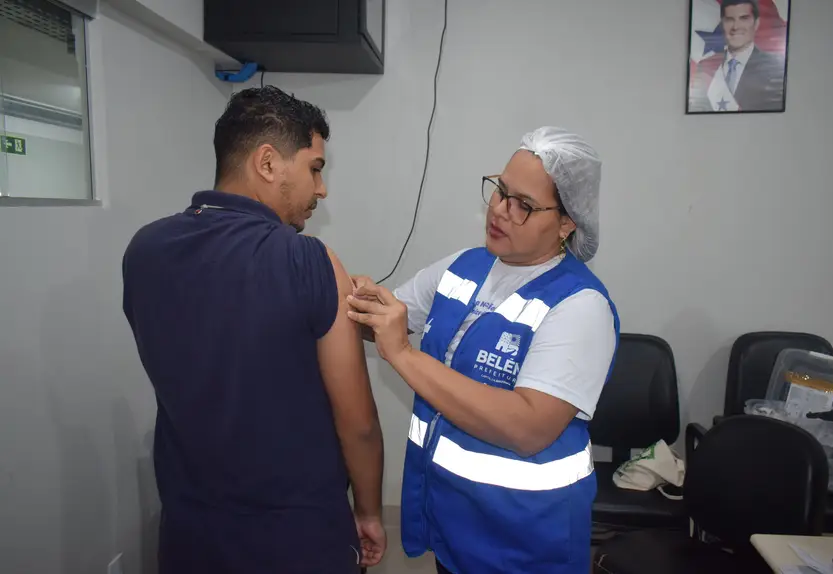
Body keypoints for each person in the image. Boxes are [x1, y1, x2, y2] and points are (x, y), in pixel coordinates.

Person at [122, 87, 386, 574]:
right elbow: (360, 425)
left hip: (189, 533)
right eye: (315, 168)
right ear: (267, 163)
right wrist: (369, 512)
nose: (321, 189)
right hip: (296, 538)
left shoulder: (144, 250)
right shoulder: (309, 261)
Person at [349, 127, 620, 573]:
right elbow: (389, 318)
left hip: (522, 540)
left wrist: (404, 354)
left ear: (567, 223)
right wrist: (342, 292)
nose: (499, 210)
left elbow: (528, 427)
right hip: (451, 519)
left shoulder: (580, 306)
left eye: (524, 205)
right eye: (500, 190)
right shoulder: (466, 266)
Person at [690, 0, 786, 112]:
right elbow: (698, 109)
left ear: (756, 23)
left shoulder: (774, 67)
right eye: (729, 19)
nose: (736, 27)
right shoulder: (705, 65)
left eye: (744, 18)